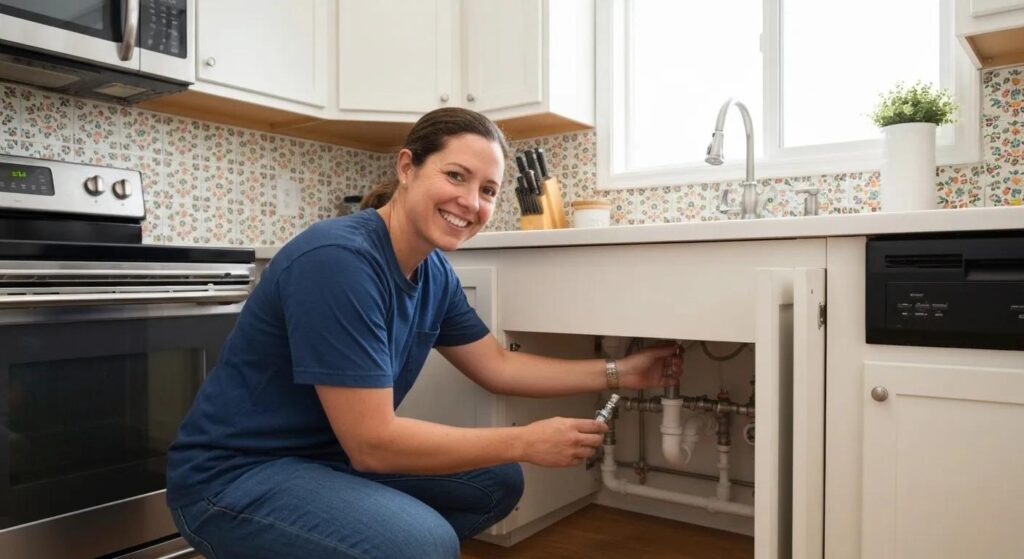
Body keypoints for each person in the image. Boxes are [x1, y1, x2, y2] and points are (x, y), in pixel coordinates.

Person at [166, 107, 681, 559]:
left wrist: (622, 372)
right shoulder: (339, 260)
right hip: (234, 479)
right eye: (455, 176)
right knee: (424, 543)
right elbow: (372, 444)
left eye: (487, 191)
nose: (471, 202)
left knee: (495, 483)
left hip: (326, 460)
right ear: (407, 167)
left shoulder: (432, 272)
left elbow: (496, 366)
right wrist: (524, 439)